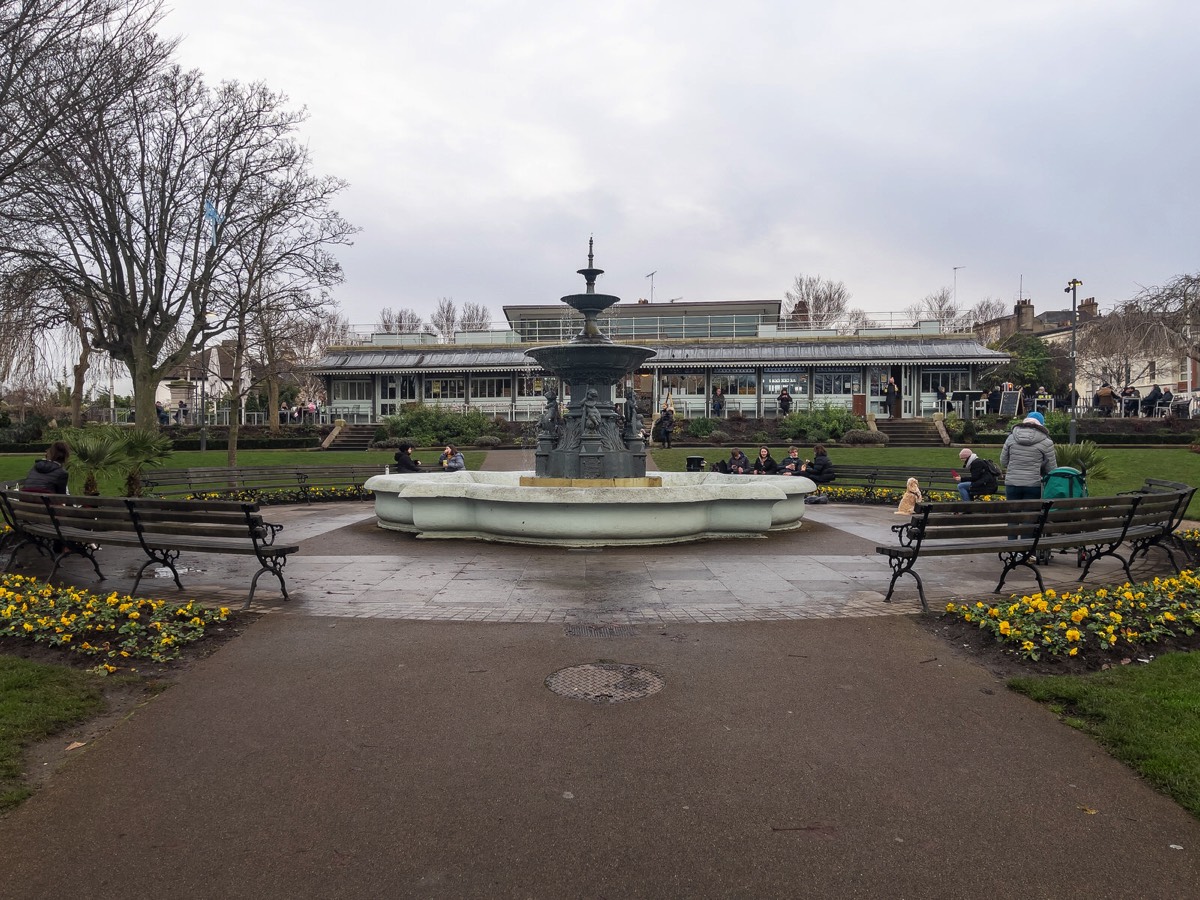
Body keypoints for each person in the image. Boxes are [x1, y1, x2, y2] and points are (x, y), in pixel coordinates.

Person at [1000, 410, 1057, 501]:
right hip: (1034, 484)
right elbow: (1051, 468)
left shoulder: (1011, 438)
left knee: (1013, 513)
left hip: (1012, 483)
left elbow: (1003, 461)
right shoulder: (1046, 442)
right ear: (1041, 424)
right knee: (1030, 513)